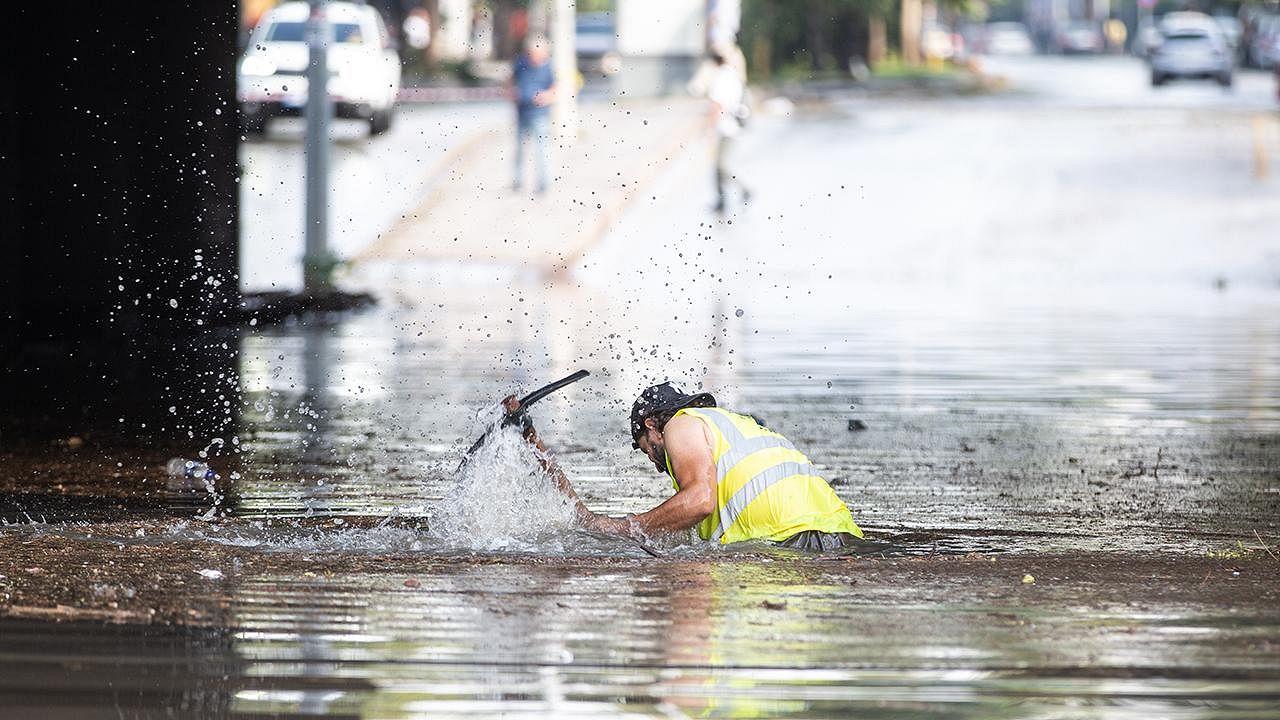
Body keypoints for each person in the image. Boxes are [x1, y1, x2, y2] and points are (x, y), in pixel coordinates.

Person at [504, 382, 864, 550]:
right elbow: (586, 520)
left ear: (650, 425)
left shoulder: (682, 423)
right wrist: (532, 439)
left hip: (800, 544)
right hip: (841, 538)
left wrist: (630, 528)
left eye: (642, 448)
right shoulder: (731, 432)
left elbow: (700, 501)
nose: (650, 459)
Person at [704, 49, 751, 214]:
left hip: (725, 128)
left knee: (720, 165)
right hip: (734, 126)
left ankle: (743, 190)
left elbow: (717, 106)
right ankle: (721, 199)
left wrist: (709, 129)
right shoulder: (733, 76)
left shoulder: (720, 78)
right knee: (718, 166)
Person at [509, 34, 556, 194]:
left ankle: (543, 184)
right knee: (520, 149)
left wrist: (546, 97)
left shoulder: (549, 67)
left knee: (542, 149)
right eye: (531, 54)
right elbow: (510, 81)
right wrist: (511, 93)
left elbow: (556, 87)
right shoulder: (521, 63)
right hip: (522, 111)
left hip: (540, 114)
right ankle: (517, 182)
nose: (533, 58)